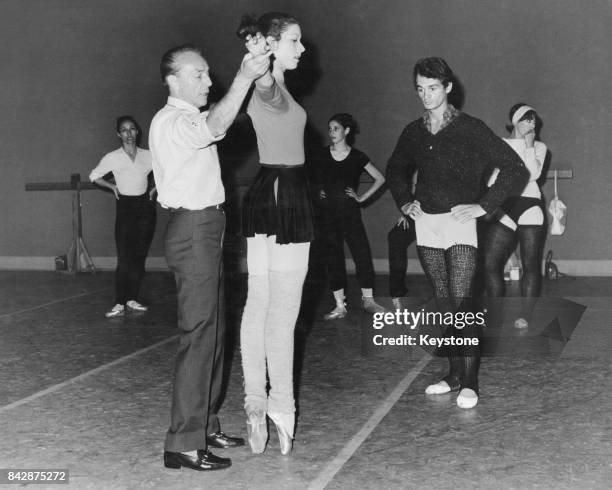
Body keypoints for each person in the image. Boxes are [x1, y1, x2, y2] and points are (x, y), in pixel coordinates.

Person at [149, 44, 271, 471]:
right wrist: (243, 77)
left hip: (208, 228)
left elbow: (218, 119)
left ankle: (205, 424)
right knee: (200, 333)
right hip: (193, 229)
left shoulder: (187, 118)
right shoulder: (172, 121)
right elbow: (215, 124)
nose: (208, 81)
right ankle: (182, 441)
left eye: (207, 74)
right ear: (173, 81)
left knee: (214, 331)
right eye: (198, 75)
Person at [386, 57, 528, 409]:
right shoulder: (413, 132)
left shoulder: (471, 128)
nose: (426, 96)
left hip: (460, 224)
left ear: (448, 87)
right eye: (420, 89)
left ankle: (470, 382)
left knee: (463, 304)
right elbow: (394, 168)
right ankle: (452, 375)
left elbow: (514, 167)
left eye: (433, 88)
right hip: (427, 225)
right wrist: (405, 201)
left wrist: (484, 206)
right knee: (446, 303)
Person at [236, 12, 312, 455]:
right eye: (295, 41)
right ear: (273, 44)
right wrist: (261, 66)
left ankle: (252, 403)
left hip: (266, 191)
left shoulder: (275, 88)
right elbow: (264, 88)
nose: (302, 49)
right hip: (287, 195)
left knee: (257, 304)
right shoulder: (271, 87)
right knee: (282, 310)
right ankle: (281, 408)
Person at [313, 113, 386, 319]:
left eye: (336, 128)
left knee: (362, 256)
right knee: (333, 259)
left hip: (350, 215)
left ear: (346, 131)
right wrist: (318, 190)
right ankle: (339, 305)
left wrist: (361, 198)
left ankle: (369, 301)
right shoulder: (321, 155)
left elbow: (380, 178)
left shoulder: (357, 156)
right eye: (329, 128)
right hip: (327, 216)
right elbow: (311, 178)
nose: (331, 132)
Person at [484, 104, 548, 329]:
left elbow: (532, 174)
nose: (531, 123)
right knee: (490, 262)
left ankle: (526, 315)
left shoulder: (539, 146)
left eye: (534, 120)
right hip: (505, 208)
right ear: (515, 121)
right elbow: (491, 181)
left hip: (530, 206)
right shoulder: (499, 145)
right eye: (526, 119)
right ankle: (495, 313)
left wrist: (529, 144)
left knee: (530, 264)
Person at [89, 116, 156, 318]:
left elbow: (167, 171)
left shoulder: (148, 155)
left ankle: (132, 298)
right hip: (126, 207)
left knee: (139, 256)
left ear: (137, 132)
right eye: (124, 130)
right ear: (119, 134)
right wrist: (111, 187)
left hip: (145, 207)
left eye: (132, 129)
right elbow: (94, 175)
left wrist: (155, 189)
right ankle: (119, 302)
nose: (128, 134)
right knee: (125, 257)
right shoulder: (113, 157)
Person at [387, 214, 416, 310]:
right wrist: (408, 213)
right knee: (395, 238)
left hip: (446, 212)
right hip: (421, 211)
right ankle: (398, 293)